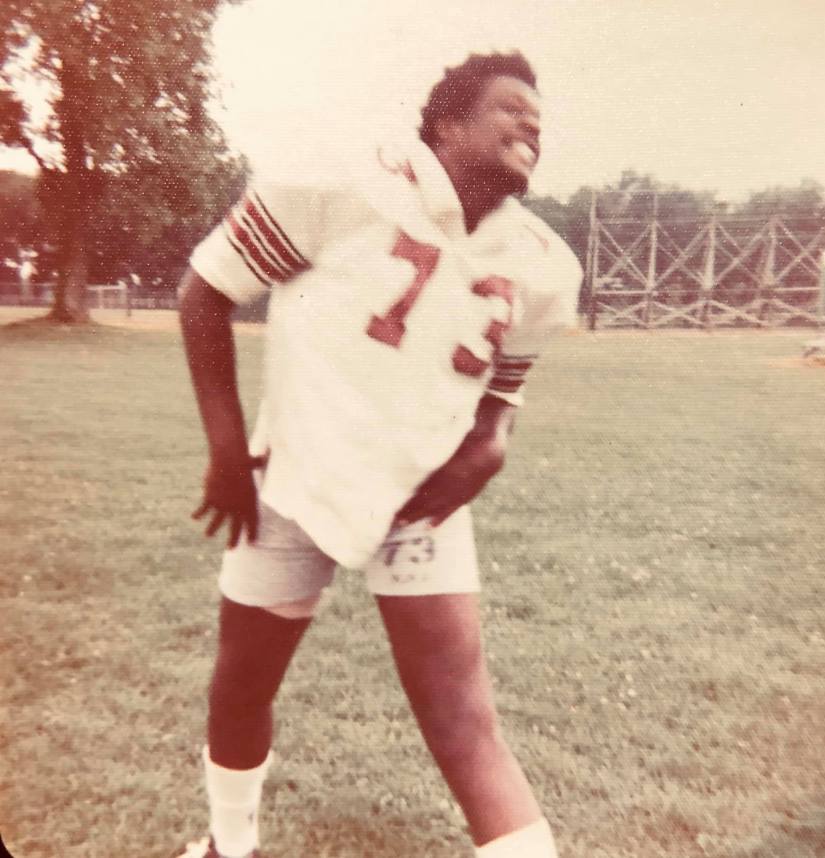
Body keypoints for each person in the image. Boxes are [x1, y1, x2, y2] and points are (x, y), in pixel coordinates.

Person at [177, 51, 582, 858]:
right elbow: (205, 293)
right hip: (295, 478)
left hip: (421, 499)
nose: (531, 124)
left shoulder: (543, 262)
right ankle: (229, 843)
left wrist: (492, 441)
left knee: (465, 724)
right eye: (510, 108)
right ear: (447, 123)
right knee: (241, 686)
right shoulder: (342, 185)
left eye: (539, 118)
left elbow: (506, 385)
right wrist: (225, 451)